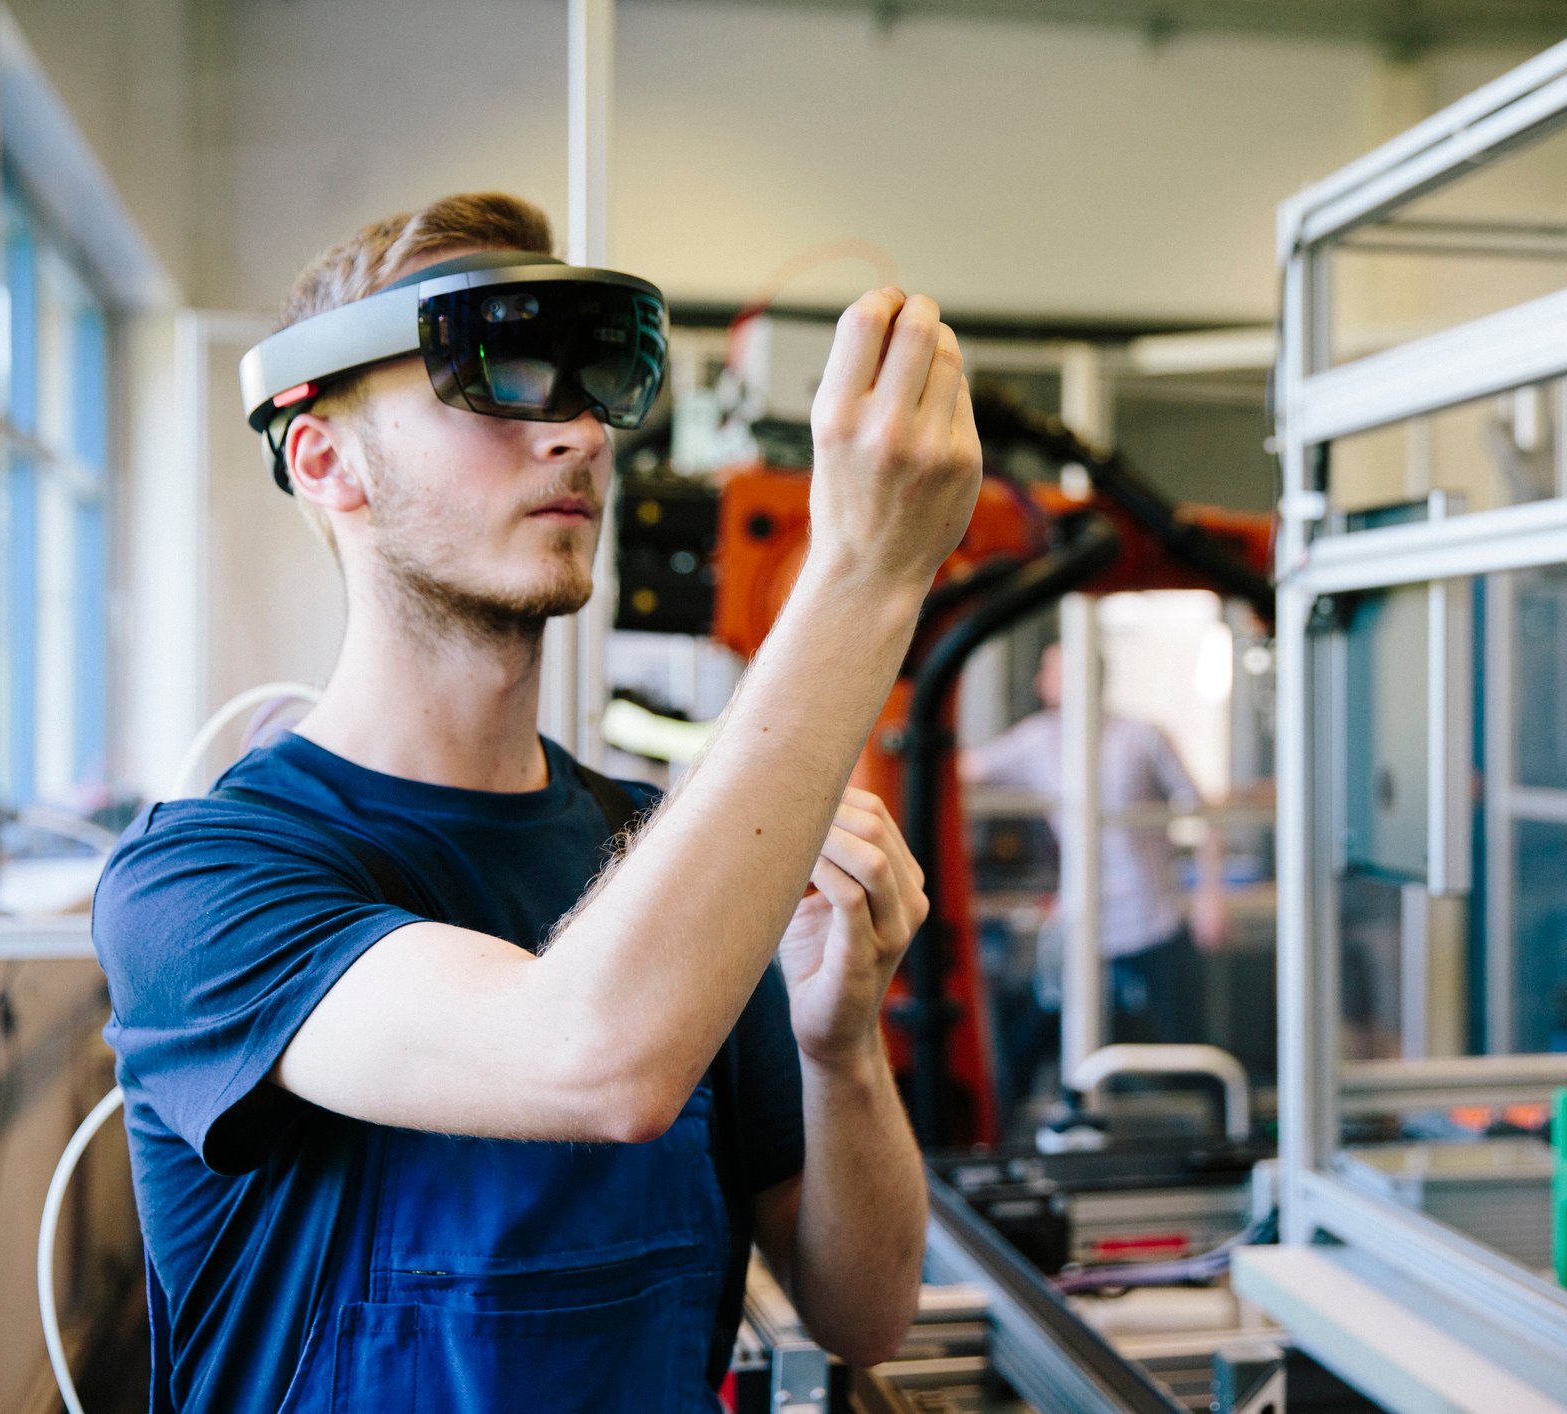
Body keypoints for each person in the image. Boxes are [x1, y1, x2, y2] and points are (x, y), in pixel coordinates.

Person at [91, 194, 981, 1413]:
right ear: (324, 457)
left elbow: (863, 1312)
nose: (576, 432)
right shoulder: (198, 886)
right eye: (496, 373)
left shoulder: (676, 859)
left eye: (590, 382)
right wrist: (865, 572)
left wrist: (840, 1051)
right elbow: (593, 1057)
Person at [961, 640, 1226, 1052]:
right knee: (1039, 1038)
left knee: (1184, 1042)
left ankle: (1207, 1098)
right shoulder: (1038, 738)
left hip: (1150, 917)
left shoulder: (1142, 736)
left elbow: (1205, 814)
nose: (1040, 681)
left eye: (1052, 670)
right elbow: (966, 769)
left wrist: (1211, 896)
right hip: (1082, 920)